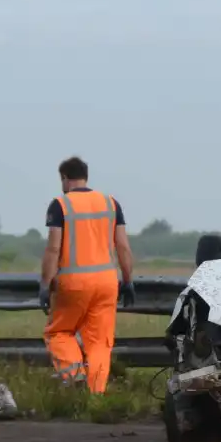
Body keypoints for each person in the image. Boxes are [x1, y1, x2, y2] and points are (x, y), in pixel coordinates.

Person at [38, 156, 136, 394]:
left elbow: (53, 248)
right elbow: (122, 246)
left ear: (64, 178)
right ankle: (95, 396)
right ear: (86, 176)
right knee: (100, 342)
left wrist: (45, 283)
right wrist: (128, 280)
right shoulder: (111, 203)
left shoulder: (60, 204)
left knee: (59, 332)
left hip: (72, 283)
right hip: (106, 282)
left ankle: (75, 376)